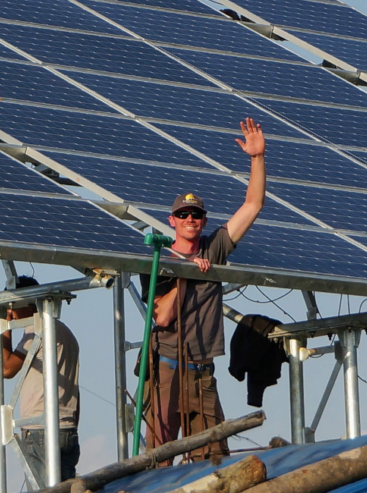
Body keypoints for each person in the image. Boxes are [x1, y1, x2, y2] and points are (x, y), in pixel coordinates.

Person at [141, 117, 266, 462]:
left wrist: (256, 158)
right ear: (172, 221)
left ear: (204, 220)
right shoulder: (158, 260)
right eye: (183, 215)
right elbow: (162, 315)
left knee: (211, 459)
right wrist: (187, 276)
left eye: (196, 214)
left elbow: (252, 206)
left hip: (203, 372)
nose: (190, 219)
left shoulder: (214, 249)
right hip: (167, 369)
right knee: (159, 460)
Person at [1, 276, 81, 482]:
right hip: (67, 428)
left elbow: (6, 368)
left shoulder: (37, 332)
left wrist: (4, 326)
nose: (12, 313)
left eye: (12, 306)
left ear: (25, 302)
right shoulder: (65, 332)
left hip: (41, 429)